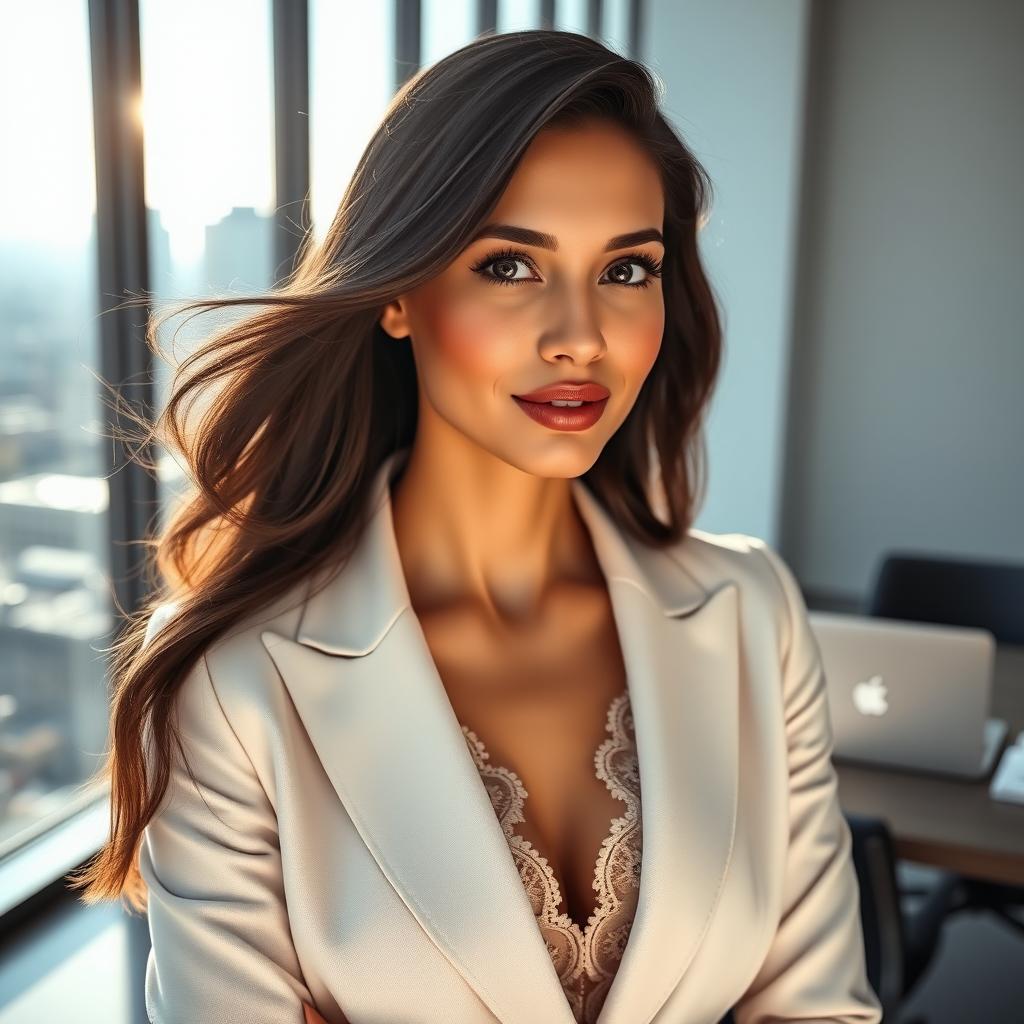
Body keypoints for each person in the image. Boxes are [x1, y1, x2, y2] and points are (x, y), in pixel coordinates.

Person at [69, 28, 882, 1024]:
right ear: (400, 294)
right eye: (510, 265)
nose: (581, 335)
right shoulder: (233, 679)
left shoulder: (753, 610)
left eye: (627, 270)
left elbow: (822, 1009)